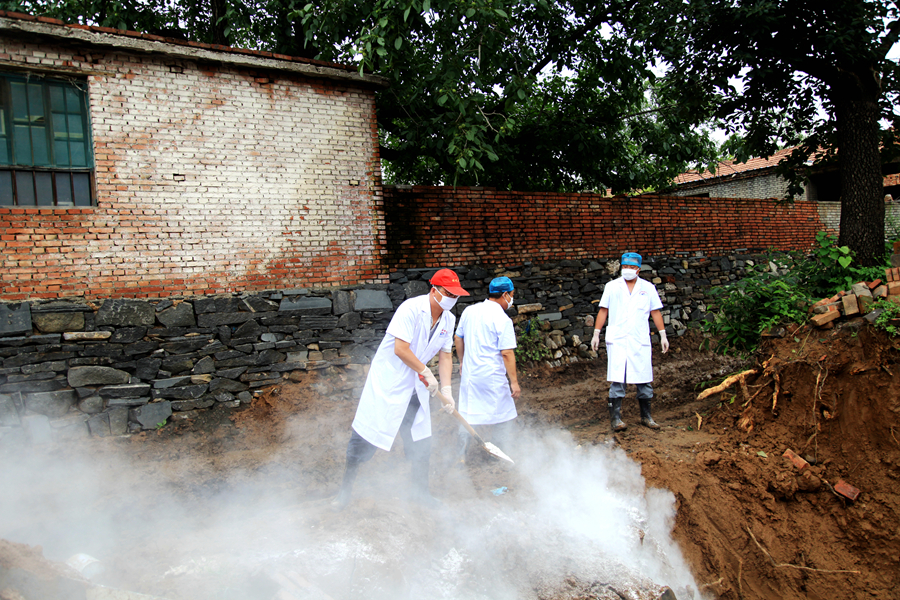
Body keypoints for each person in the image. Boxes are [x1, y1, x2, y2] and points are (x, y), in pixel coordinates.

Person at [332, 268, 469, 510]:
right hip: (389, 382)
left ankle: (420, 493)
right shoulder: (411, 309)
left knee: (421, 441)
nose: (452, 298)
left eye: (455, 295)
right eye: (448, 293)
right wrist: (426, 371)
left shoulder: (448, 319)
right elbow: (400, 349)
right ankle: (344, 492)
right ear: (434, 290)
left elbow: (446, 355)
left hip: (415, 387)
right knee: (365, 439)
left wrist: (447, 390)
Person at [591, 252, 669, 432]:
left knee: (644, 380)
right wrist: (596, 333)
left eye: (632, 267)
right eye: (625, 267)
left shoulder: (648, 288)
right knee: (618, 380)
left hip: (638, 340)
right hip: (618, 340)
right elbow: (603, 310)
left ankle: (646, 416)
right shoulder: (612, 286)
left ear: (638, 269)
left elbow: (655, 312)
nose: (628, 270)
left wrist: (663, 335)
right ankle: (615, 419)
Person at [453, 276, 521, 463]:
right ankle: (500, 455)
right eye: (512, 295)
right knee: (504, 414)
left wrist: (462, 362)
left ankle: (460, 456)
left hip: (470, 375)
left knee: (467, 414)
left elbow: (458, 337)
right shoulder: (502, 319)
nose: (512, 299)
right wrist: (514, 382)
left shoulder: (470, 311)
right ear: (505, 294)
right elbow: (507, 353)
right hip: (492, 376)